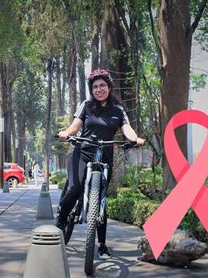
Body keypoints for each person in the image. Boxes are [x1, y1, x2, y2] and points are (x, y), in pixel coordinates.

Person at [56, 68, 145, 259]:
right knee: (76, 188)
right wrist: (67, 133)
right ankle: (61, 222)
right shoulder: (86, 105)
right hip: (82, 153)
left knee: (101, 198)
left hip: (105, 156)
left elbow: (126, 128)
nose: (99, 89)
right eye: (95, 87)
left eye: (102, 85)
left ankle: (102, 244)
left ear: (109, 87)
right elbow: (75, 126)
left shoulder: (118, 110)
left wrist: (135, 138)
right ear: (91, 90)